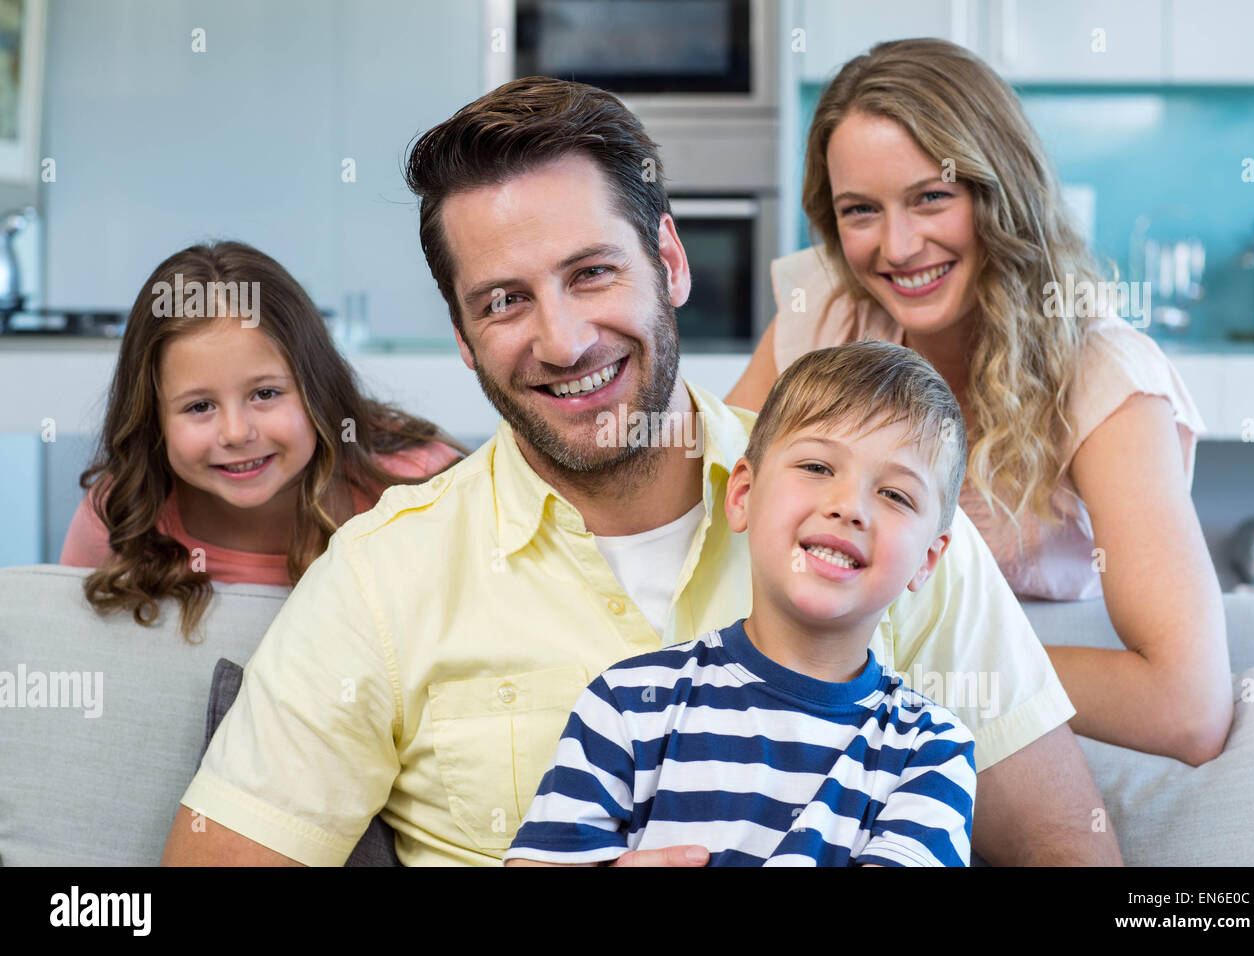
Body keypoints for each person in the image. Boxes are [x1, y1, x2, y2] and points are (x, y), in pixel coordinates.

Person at [161, 77, 1119, 866]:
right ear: (461, 337)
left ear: (669, 259)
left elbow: (1072, 861)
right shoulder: (379, 581)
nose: (564, 339)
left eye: (591, 273)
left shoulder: (883, 518)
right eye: (504, 300)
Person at [727, 39, 1230, 767]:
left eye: (932, 197)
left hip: (1041, 730)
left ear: (1002, 191)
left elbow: (1188, 708)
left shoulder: (1102, 375)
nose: (898, 247)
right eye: (860, 210)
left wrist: (898, 667)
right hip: (828, 712)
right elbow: (713, 513)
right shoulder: (828, 312)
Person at [505, 341, 977, 867]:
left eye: (895, 495)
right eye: (818, 466)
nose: (848, 507)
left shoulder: (931, 752)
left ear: (927, 561)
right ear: (743, 495)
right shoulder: (625, 704)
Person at [61, 241, 465, 639]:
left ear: (317, 389)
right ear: (153, 419)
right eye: (200, 406)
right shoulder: (121, 514)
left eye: (265, 394)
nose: (236, 433)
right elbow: (74, 649)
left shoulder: (421, 488)